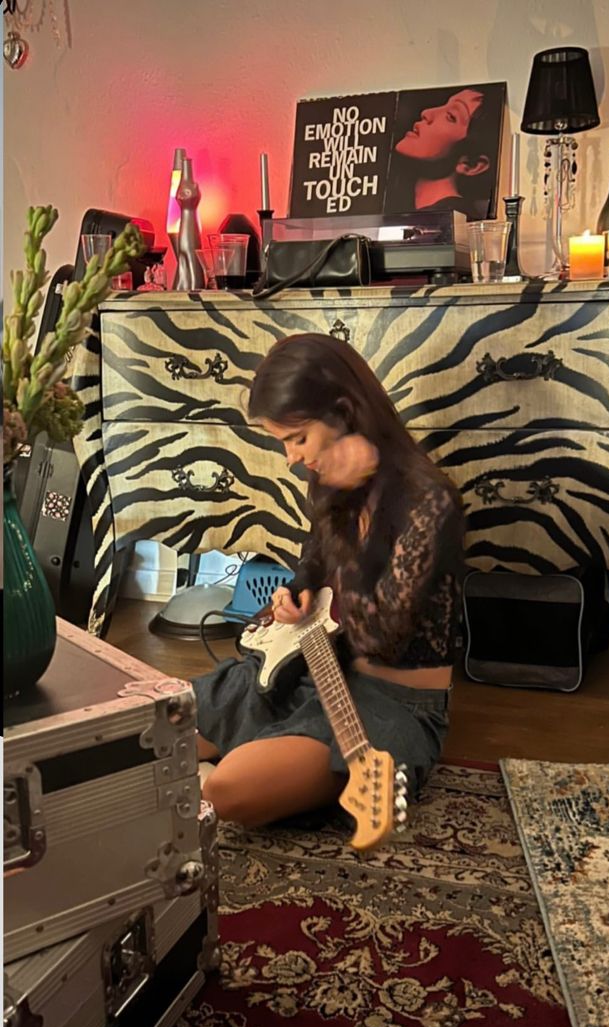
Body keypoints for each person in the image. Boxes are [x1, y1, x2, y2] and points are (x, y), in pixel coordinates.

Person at [194, 333, 465, 828]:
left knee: (227, 791)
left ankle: (269, 759)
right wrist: (293, 595)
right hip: (310, 668)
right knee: (147, 734)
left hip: (390, 703)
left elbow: (383, 636)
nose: (292, 458)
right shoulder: (326, 479)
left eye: (297, 439)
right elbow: (313, 564)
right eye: (284, 443)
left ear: (344, 412)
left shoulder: (430, 503)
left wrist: (349, 517)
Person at [389, 87, 492, 218]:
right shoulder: (404, 202)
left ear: (472, 165)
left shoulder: (455, 221)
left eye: (451, 116)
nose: (426, 113)